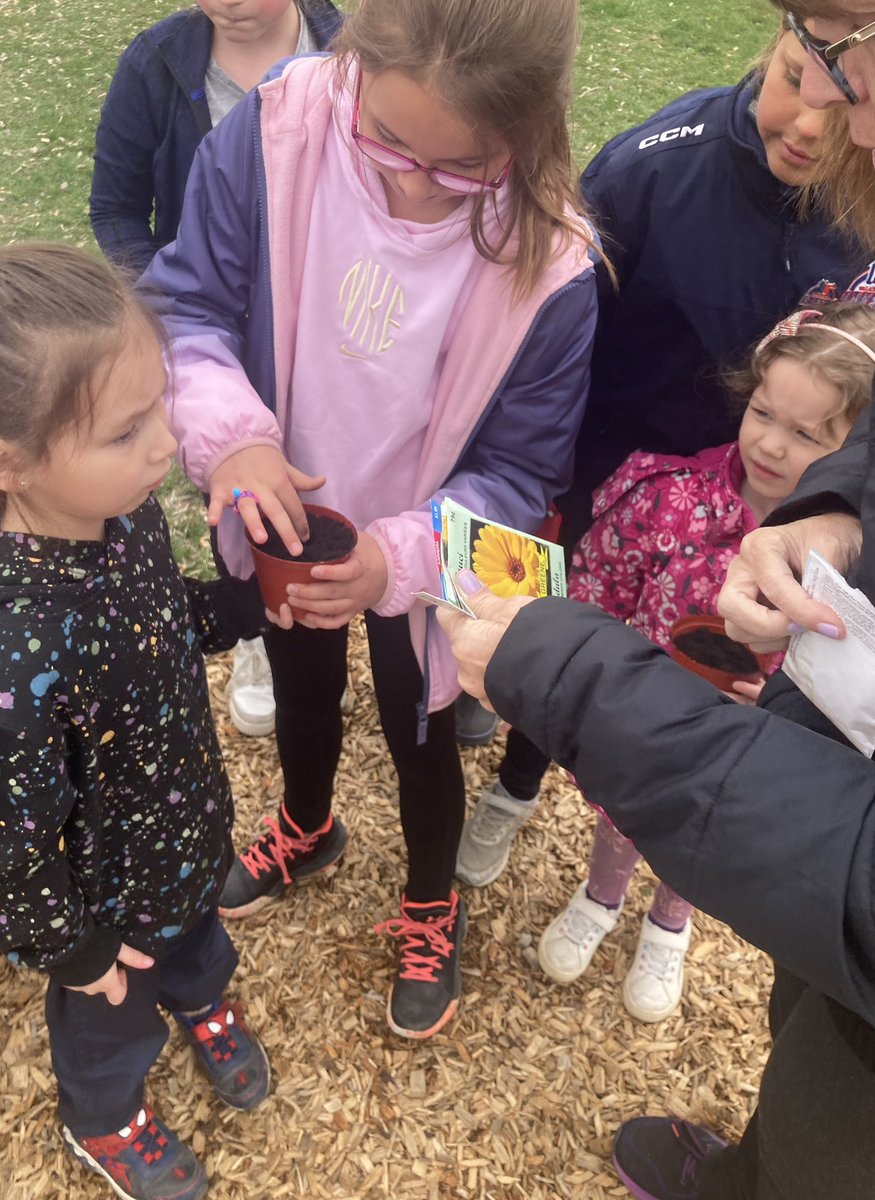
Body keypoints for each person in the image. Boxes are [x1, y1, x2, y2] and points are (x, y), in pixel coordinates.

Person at [436, 12, 875, 1178]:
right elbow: (549, 311)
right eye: (807, 77)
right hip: (634, 497)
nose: (828, 126)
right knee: (575, 687)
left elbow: (793, 830)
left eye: (857, 101)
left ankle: (656, 918)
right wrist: (843, 504)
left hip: (746, 650)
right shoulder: (653, 168)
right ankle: (522, 789)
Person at [141, 0, 598, 1041]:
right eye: (386, 141)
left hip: (422, 552)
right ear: (352, 62)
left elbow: (519, 474)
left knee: (420, 728)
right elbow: (187, 307)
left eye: (462, 168)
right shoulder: (274, 131)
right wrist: (232, 437)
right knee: (302, 687)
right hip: (287, 507)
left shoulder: (555, 263)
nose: (412, 183)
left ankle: (431, 899)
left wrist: (398, 559)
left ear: (528, 131)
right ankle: (308, 825)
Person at [0, 244, 274, 1200]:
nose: (165, 446)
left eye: (160, 407)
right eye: (126, 431)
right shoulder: (19, 647)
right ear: (12, 464)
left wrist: (233, 611)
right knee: (110, 1020)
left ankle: (202, 1002)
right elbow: (13, 834)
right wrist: (68, 948)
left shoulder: (125, 514)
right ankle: (105, 1118)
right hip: (104, 903)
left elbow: (158, 615)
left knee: (199, 947)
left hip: (184, 827)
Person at [535, 302, 875, 1025]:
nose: (771, 445)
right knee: (624, 815)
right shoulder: (667, 497)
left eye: (807, 434)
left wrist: (778, 707)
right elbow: (598, 583)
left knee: (695, 829)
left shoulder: (846, 582)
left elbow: (843, 703)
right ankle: (601, 895)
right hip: (642, 711)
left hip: (735, 747)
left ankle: (669, 923)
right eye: (763, 412)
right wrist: (610, 657)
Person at [90, 0, 344, 740]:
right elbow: (115, 208)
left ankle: (370, 618)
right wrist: (166, 309)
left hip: (322, 330)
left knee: (323, 474)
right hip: (209, 338)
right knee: (233, 488)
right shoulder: (156, 63)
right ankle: (257, 628)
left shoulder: (354, 49)